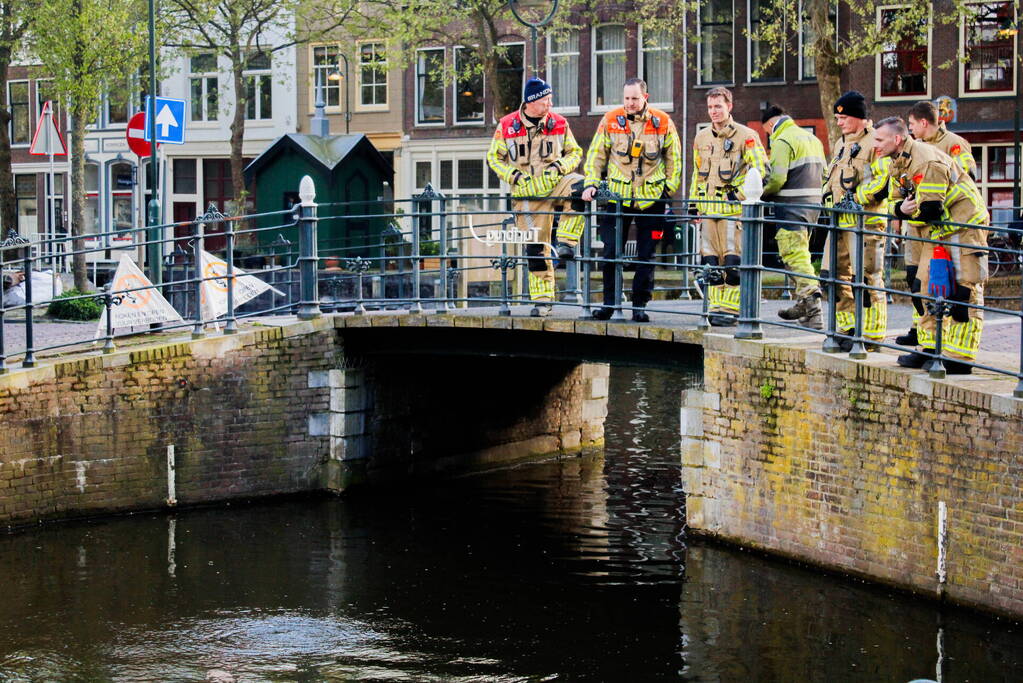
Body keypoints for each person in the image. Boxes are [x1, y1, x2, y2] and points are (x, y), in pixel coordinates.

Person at [873, 116, 989, 374]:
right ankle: (931, 347)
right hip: (938, 231)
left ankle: (960, 357)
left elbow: (929, 209)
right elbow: (896, 202)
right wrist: (900, 209)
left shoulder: (925, 159)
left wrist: (902, 211)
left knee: (964, 291)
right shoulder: (897, 161)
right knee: (923, 287)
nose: (875, 145)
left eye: (879, 139)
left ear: (897, 139)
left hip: (964, 225)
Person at [581, 78, 681, 322]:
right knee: (611, 254)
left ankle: (639, 305)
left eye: (635, 98)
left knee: (646, 255)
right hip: (618, 198)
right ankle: (610, 304)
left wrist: (668, 190)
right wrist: (591, 183)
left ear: (645, 97)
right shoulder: (611, 119)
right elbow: (596, 155)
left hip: (651, 199)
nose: (630, 103)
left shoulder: (663, 122)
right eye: (626, 98)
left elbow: (674, 159)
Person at [487, 76, 586, 317]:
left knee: (581, 186)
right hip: (527, 196)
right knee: (535, 251)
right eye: (546, 100)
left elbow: (575, 153)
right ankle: (542, 302)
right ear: (531, 102)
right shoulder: (507, 125)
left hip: (555, 184)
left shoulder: (559, 123)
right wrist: (514, 176)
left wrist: (559, 167)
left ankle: (566, 242)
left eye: (550, 99)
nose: (550, 104)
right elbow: (494, 158)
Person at [896, 100, 979, 345]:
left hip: (942, 223)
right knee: (915, 278)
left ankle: (937, 338)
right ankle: (918, 329)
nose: (909, 129)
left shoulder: (953, 143)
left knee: (939, 281)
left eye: (911, 124)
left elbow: (967, 175)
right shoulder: (914, 147)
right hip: (917, 224)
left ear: (923, 122)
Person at [689, 86, 769, 326]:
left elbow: (762, 171)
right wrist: (694, 204)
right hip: (709, 210)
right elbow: (697, 174)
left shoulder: (746, 136)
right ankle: (715, 308)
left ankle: (731, 310)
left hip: (733, 213)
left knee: (732, 265)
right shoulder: (701, 137)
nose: (713, 111)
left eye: (718, 106)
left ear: (729, 107)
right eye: (710, 107)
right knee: (710, 265)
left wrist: (740, 195)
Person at [821, 91, 891, 350]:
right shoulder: (841, 143)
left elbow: (883, 181)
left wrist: (858, 199)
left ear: (860, 118)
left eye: (844, 117)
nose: (839, 122)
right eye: (837, 117)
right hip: (839, 221)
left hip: (866, 222)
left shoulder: (876, 142)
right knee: (833, 277)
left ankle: (871, 335)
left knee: (867, 276)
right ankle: (848, 327)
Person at [760, 104, 827, 329]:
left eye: (767, 132)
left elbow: (777, 179)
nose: (769, 136)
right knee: (801, 255)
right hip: (813, 208)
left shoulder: (782, 139)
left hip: (790, 208)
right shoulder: (811, 139)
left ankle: (814, 308)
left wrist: (760, 194)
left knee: (795, 256)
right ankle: (803, 308)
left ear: (770, 125)